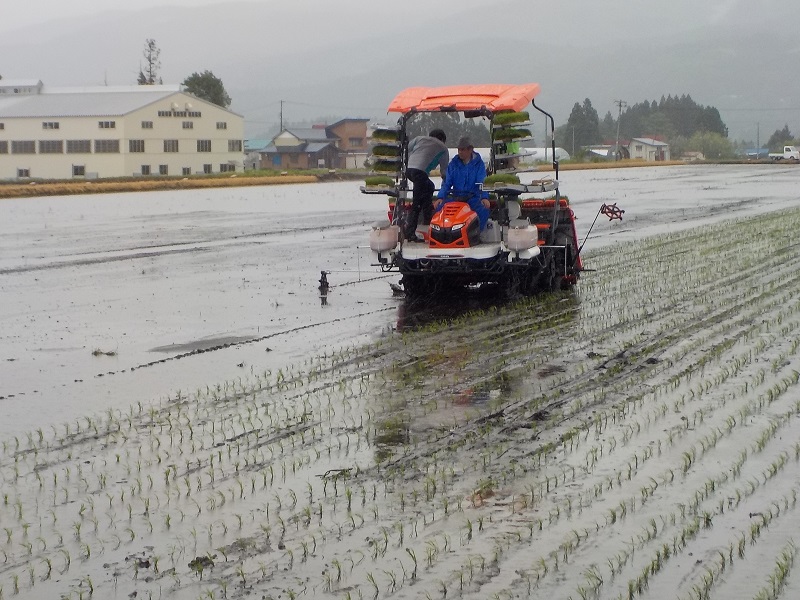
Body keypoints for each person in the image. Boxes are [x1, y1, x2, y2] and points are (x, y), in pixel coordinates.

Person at [434, 137, 490, 230]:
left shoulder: (479, 164)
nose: (460, 152)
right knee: (440, 208)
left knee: (483, 209)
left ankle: (476, 233)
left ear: (470, 150)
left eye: (463, 150)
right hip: (456, 198)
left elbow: (482, 181)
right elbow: (447, 182)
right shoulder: (453, 164)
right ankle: (445, 234)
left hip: (473, 198)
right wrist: (440, 197)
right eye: (459, 149)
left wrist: (484, 197)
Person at [404, 129, 449, 241]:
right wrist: (446, 188)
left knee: (429, 187)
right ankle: (410, 234)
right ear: (443, 140)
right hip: (420, 173)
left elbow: (406, 149)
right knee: (416, 204)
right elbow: (444, 172)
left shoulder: (419, 139)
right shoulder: (443, 148)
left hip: (409, 170)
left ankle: (427, 217)